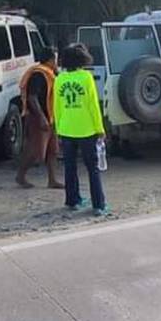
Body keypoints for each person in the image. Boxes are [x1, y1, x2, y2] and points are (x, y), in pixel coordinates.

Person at [54, 43, 109, 216]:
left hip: (66, 128)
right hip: (86, 129)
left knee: (70, 167)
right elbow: (93, 106)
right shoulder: (86, 77)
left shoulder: (59, 79)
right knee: (92, 168)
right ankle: (98, 205)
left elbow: (57, 106)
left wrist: (58, 128)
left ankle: (73, 200)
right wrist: (100, 128)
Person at [15, 47, 64, 189]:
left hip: (50, 116)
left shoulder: (50, 73)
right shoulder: (39, 75)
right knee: (37, 153)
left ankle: (52, 180)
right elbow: (32, 97)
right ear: (50, 60)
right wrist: (41, 117)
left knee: (53, 150)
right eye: (55, 59)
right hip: (38, 118)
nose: (57, 62)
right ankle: (20, 174)